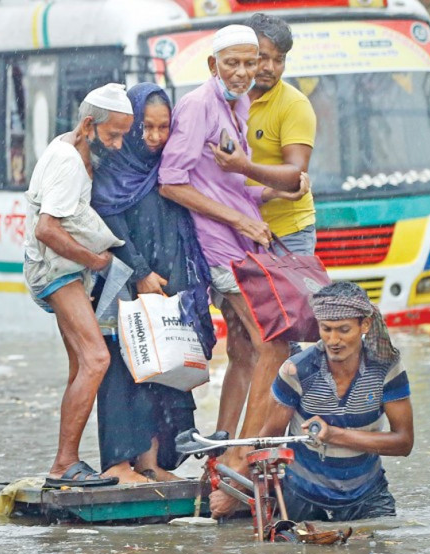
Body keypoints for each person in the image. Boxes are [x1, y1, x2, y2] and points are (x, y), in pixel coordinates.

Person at [158, 25, 308, 472]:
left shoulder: (236, 101)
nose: (244, 72)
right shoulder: (199, 105)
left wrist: (269, 196)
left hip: (243, 237)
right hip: (220, 245)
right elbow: (171, 183)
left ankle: (221, 451)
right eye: (233, 63)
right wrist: (239, 218)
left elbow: (223, 183)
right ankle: (247, 454)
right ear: (213, 66)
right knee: (275, 344)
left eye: (251, 63)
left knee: (244, 347)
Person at [89, 84, 216, 483]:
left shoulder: (168, 168)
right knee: (122, 375)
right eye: (147, 128)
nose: (156, 138)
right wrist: (141, 272)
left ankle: (152, 462)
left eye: (164, 128)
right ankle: (118, 464)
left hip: (167, 288)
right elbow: (111, 223)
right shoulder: (113, 168)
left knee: (162, 371)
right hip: (123, 285)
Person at [211, 281, 413, 521]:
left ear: (365, 325)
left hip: (368, 497)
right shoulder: (297, 370)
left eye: (343, 330)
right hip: (303, 497)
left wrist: (333, 435)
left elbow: (404, 443)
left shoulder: (387, 368)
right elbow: (269, 439)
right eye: (326, 329)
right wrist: (234, 492)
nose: (333, 340)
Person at [22, 82, 134, 487]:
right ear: (89, 125)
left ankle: (66, 461)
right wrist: (97, 261)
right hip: (57, 269)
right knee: (97, 359)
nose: (119, 146)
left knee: (79, 366)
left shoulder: (70, 147)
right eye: (113, 135)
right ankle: (63, 464)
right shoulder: (69, 160)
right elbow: (47, 229)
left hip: (62, 269)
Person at [210, 13, 317, 256]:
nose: (270, 68)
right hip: (232, 228)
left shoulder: (294, 104)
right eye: (262, 58)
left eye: (279, 60)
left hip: (286, 232)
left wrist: (244, 166)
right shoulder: (217, 98)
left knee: (290, 295)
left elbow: (294, 177)